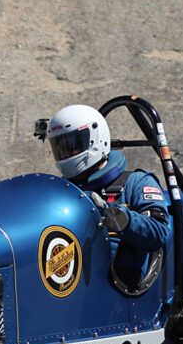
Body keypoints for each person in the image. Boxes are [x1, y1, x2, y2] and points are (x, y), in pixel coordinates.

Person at [45, 104, 171, 292]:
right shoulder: (60, 191)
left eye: (73, 145)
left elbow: (160, 233)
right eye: (61, 147)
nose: (67, 153)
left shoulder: (136, 182)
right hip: (69, 288)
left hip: (118, 289)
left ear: (95, 139)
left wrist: (124, 220)